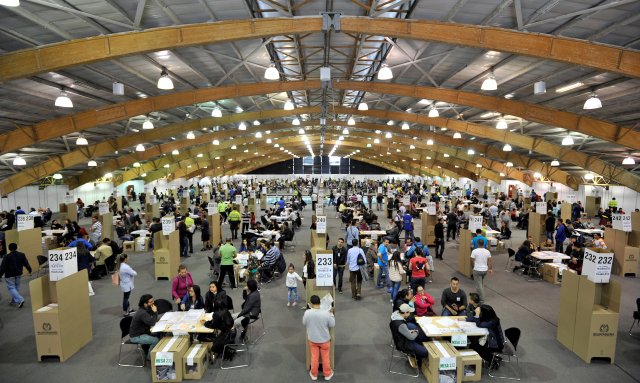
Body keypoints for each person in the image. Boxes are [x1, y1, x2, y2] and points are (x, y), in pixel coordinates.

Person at [303, 295, 335, 381]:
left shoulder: (307, 313)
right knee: (325, 357)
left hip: (313, 340)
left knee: (314, 357)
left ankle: (314, 374)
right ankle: (327, 374)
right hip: (325, 340)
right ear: (319, 302)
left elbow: (304, 322)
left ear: (311, 303)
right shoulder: (326, 313)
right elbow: (332, 324)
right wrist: (331, 313)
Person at [467, 303, 505, 369]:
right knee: (473, 344)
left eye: (481, 312)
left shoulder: (492, 322)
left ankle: (493, 361)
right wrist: (474, 312)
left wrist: (477, 315)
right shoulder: (486, 318)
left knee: (476, 348)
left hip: (496, 344)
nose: (480, 313)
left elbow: (479, 324)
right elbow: (469, 319)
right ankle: (492, 357)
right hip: (490, 340)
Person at [390, 303, 428, 368]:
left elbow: (401, 331)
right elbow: (411, 337)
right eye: (409, 312)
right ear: (405, 313)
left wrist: (410, 331)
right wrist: (417, 331)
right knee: (425, 352)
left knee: (419, 337)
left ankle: (415, 353)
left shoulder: (395, 317)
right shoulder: (401, 324)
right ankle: (413, 355)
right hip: (403, 344)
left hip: (400, 338)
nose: (410, 314)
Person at [0, 243, 32, 308]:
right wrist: (29, 269)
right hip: (18, 273)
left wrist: (0, 274)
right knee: (16, 286)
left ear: (9, 249)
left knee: (11, 287)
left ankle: (20, 299)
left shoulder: (6, 256)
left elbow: (3, 267)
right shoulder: (22, 255)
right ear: (16, 247)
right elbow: (26, 263)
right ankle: (15, 300)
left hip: (9, 275)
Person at [232, 279, 261, 343]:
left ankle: (242, 334)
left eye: (247, 286)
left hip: (251, 314)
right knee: (232, 316)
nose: (246, 286)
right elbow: (245, 298)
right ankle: (243, 331)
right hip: (248, 311)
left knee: (235, 322)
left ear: (250, 287)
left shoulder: (253, 295)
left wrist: (239, 315)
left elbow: (246, 309)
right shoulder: (254, 292)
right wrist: (244, 290)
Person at [471, 239, 493, 304]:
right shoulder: (487, 251)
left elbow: (472, 260)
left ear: (477, 244)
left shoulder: (474, 251)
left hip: (477, 270)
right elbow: (490, 261)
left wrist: (473, 267)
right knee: (481, 283)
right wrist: (490, 269)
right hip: (484, 270)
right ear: (483, 244)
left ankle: (482, 300)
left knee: (479, 286)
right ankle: (479, 295)